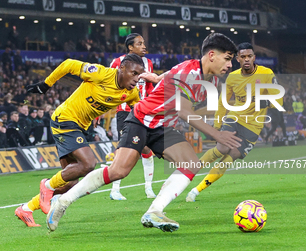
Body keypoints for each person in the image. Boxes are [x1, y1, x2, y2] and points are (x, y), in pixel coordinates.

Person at [46, 33, 241, 232]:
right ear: (211, 55)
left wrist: (157, 78)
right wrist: (217, 135)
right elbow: (184, 111)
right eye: (227, 59)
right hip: (141, 119)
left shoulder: (210, 79)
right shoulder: (189, 72)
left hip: (163, 127)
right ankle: (62, 201)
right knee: (118, 171)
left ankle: (154, 211)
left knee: (191, 163)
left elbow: (171, 75)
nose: (230, 65)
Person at [15, 54, 146, 227]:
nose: (136, 79)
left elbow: (140, 112)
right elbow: (68, 64)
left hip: (79, 126)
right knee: (88, 163)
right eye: (134, 73)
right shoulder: (100, 74)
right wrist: (46, 84)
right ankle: (47, 185)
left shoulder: (131, 93)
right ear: (121, 68)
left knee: (70, 184)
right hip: (65, 119)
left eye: (139, 75)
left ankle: (26, 208)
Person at [186, 42, 283, 202]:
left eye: (249, 56)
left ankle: (196, 190)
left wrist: (261, 101)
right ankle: (188, 173)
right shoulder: (232, 77)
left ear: (254, 57)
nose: (246, 59)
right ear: (237, 58)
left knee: (230, 157)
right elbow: (223, 102)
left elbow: (278, 98)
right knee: (222, 147)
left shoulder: (266, 73)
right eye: (243, 56)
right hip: (234, 118)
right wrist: (217, 126)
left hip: (253, 127)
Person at [109, 33, 156, 200]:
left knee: (146, 150)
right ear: (130, 47)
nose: (144, 46)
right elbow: (108, 85)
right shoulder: (118, 62)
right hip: (124, 110)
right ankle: (115, 189)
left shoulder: (148, 63)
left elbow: (149, 89)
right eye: (140, 43)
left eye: (144, 43)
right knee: (125, 148)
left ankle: (149, 188)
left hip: (142, 110)